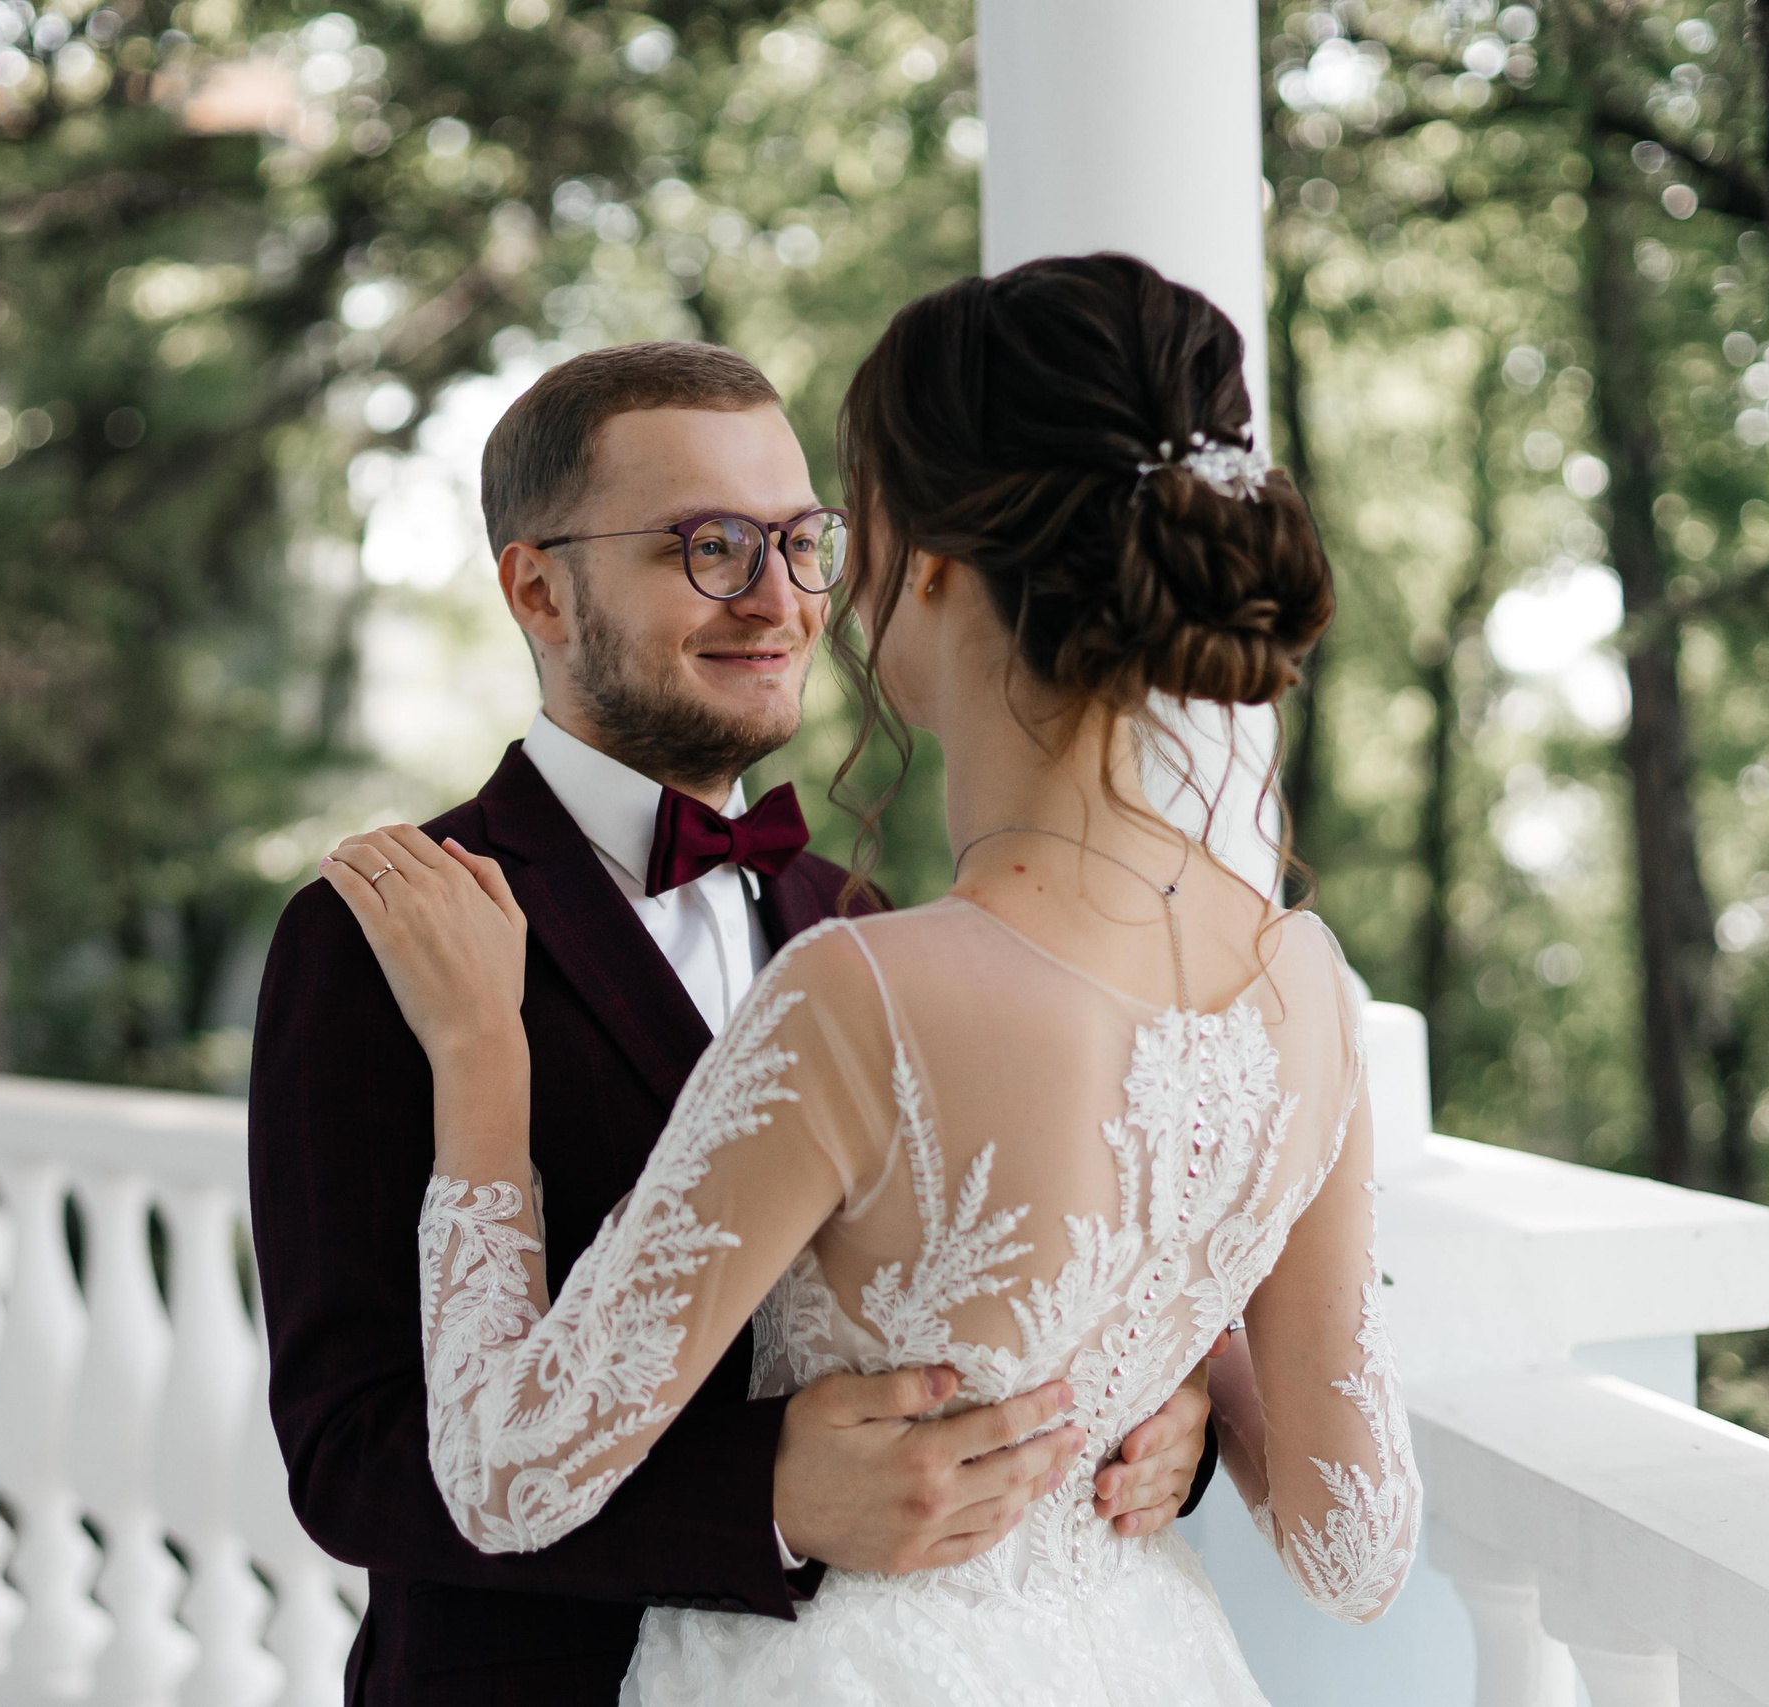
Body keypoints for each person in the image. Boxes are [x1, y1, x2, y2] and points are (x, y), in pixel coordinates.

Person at [316, 253, 1420, 1706]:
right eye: (709, 545)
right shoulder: (1304, 979)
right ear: (537, 587)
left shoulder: (861, 959)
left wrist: (1180, 1400)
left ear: (928, 561)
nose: (783, 595)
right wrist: (772, 1501)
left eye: (812, 538)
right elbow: (1355, 1548)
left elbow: (507, 1466)